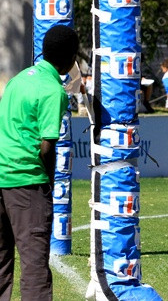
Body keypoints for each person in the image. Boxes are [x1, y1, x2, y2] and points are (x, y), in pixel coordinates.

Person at [0, 25, 79, 300]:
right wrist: (48, 182)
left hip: (1, 174)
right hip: (26, 181)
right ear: (71, 58)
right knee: (34, 263)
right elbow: (47, 147)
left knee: (1, 261)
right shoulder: (53, 90)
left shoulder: (18, 80)